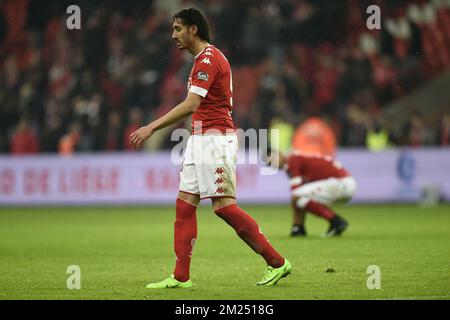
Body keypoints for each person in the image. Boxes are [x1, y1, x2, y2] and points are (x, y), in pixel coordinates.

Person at [130, 8, 291, 288]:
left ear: (194, 29)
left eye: (178, 28)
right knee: (184, 206)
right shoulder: (200, 60)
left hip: (215, 140)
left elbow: (191, 104)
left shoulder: (208, 59)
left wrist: (151, 127)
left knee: (224, 207)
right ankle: (181, 276)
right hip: (199, 139)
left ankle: (276, 262)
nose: (173, 35)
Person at [267, 149, 356, 237]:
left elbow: (295, 191)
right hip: (341, 184)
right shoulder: (295, 159)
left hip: (341, 183)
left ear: (280, 154)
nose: (274, 165)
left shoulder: (292, 160)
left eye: (273, 159)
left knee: (297, 196)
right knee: (302, 199)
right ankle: (298, 229)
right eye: (270, 164)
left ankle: (336, 222)